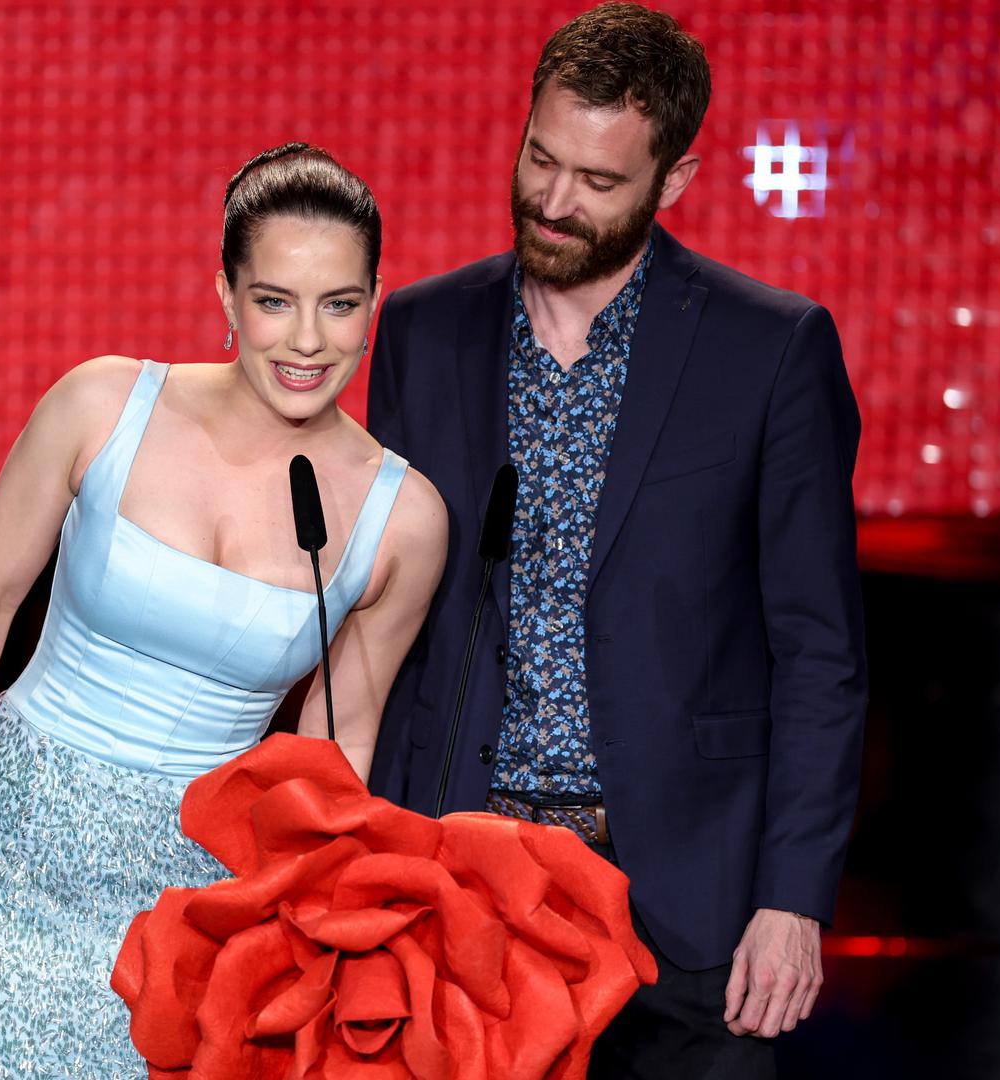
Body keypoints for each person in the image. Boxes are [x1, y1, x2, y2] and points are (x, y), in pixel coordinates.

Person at [365, 4, 866, 1077]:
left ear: (673, 181)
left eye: (597, 181)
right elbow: (391, 621)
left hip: (689, 902)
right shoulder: (421, 331)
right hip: (461, 884)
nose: (553, 202)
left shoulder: (769, 350)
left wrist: (791, 897)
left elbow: (818, 651)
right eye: (539, 159)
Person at [0, 143, 448, 1077]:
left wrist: (310, 923)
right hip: (9, 852)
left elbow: (337, 745)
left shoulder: (403, 517)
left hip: (199, 893)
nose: (306, 340)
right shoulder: (100, 404)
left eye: (338, 304)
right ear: (226, 296)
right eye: (273, 300)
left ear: (373, 304)